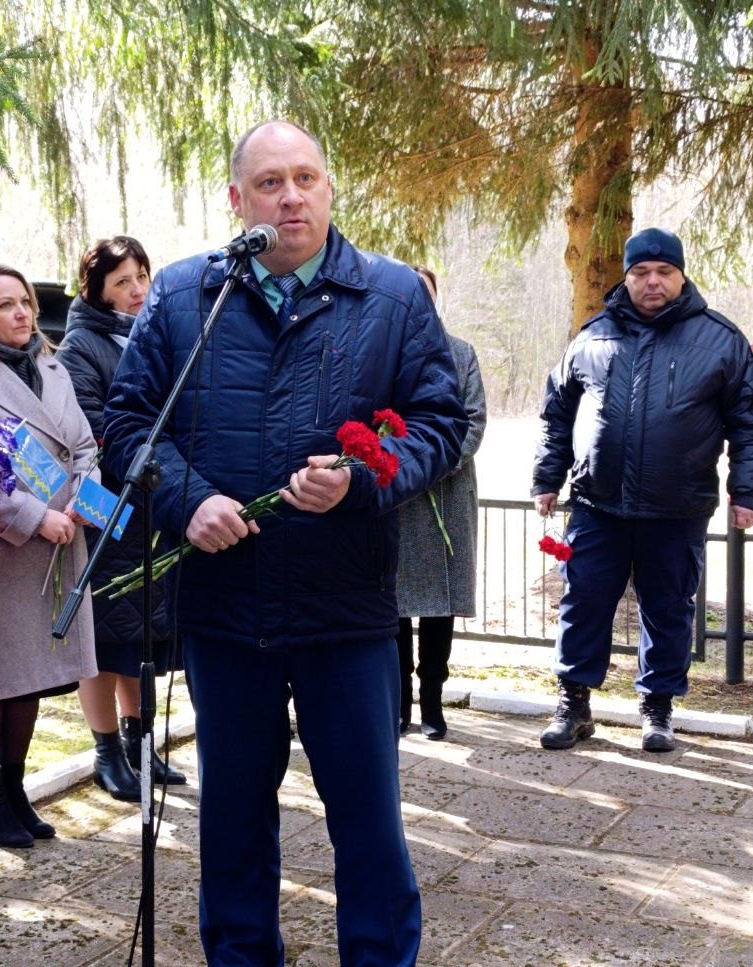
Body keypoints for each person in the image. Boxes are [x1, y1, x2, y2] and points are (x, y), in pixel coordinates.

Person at [103, 120, 468, 966]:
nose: (290, 197)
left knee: (368, 822)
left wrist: (363, 479)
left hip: (347, 608)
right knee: (232, 820)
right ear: (238, 199)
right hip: (227, 610)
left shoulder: (392, 297)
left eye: (306, 178)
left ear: (330, 188)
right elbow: (127, 424)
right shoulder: (186, 295)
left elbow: (440, 423)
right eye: (270, 183)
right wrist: (187, 501)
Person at [532, 227, 753, 753]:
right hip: (597, 504)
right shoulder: (593, 337)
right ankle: (573, 703)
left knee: (667, 610)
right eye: (641, 272)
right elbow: (557, 413)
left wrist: (748, 492)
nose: (652, 282)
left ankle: (658, 708)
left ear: (681, 276)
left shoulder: (721, 340)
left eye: (664, 272)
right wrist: (546, 478)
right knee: (583, 602)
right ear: (626, 277)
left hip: (677, 508)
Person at [0, 264, 98, 847]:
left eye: (24, 301)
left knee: (28, 675)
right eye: (5, 305)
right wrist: (34, 517)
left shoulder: (50, 365)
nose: (23, 313)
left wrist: (84, 496)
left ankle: (14, 788)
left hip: (62, 538)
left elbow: (83, 443)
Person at [56, 236, 183, 801]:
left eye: (142, 277)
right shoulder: (80, 346)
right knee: (103, 639)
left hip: (156, 507)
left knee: (142, 637)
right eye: (122, 281)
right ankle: (106, 751)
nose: (137, 290)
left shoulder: (157, 334)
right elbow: (89, 427)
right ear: (97, 290)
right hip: (108, 509)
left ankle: (140, 744)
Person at [395, 265, 487, 741]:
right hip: (396, 497)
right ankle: (398, 706)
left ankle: (433, 703)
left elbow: (473, 420)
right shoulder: (381, 352)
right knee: (393, 609)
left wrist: (431, 464)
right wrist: (397, 466)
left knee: (438, 608)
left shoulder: (461, 354)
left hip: (445, 496)